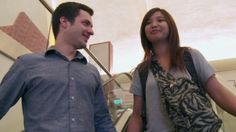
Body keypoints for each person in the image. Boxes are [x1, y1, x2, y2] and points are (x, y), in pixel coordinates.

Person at [0, 2, 116, 132]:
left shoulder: (92, 72)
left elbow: (102, 120)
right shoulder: (27, 65)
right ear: (64, 22)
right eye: (86, 23)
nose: (91, 31)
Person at [127, 7, 236, 132]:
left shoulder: (190, 56)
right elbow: (137, 116)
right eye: (148, 23)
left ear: (170, 26)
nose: (154, 25)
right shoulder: (141, 71)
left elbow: (219, 93)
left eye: (160, 20)